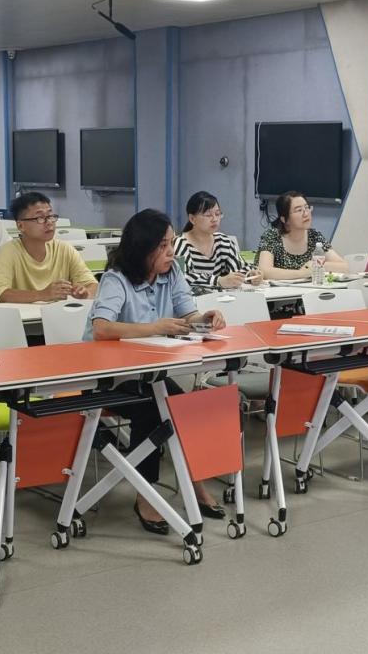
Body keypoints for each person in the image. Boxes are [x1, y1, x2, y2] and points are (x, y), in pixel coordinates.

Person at [86, 208, 228, 533]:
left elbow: (187, 314)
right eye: (163, 246)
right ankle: (146, 495)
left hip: (150, 375)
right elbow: (102, 328)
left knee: (186, 408)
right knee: (154, 412)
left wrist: (204, 319)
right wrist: (154, 328)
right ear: (143, 247)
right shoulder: (116, 278)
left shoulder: (172, 272)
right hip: (109, 378)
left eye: (172, 244)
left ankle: (194, 482)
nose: (170, 252)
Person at [0, 192, 98, 303]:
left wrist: (85, 293)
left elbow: (93, 285)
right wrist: (42, 294)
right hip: (23, 314)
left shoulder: (64, 249)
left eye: (50, 216)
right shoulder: (9, 251)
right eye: (40, 218)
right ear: (21, 226)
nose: (49, 222)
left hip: (57, 313)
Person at [173, 190, 261, 289]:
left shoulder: (223, 241)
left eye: (218, 214)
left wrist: (251, 274)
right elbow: (183, 277)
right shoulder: (181, 243)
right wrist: (218, 281)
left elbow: (239, 268)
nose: (214, 219)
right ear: (192, 219)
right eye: (208, 215)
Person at [256, 191, 348, 280]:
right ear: (284, 219)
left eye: (307, 208)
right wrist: (303, 273)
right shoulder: (272, 236)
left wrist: (317, 265)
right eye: (299, 210)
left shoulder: (314, 237)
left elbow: (345, 267)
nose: (306, 214)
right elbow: (265, 271)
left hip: (307, 289)